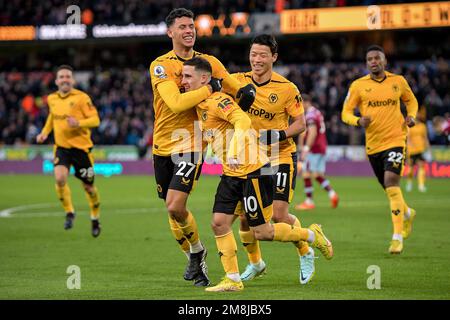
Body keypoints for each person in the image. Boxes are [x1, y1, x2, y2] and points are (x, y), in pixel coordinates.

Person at [181, 56, 333, 292]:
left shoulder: (219, 101)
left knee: (263, 231)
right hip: (232, 173)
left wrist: (232, 148)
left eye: (188, 76)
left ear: (204, 79)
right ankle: (233, 278)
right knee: (219, 223)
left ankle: (312, 236)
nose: (183, 81)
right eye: (182, 76)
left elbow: (241, 120)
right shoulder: (199, 105)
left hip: (255, 170)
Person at [149, 8, 256, 287]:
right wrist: (210, 89)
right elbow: (175, 103)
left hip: (191, 143)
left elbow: (241, 92)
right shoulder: (160, 65)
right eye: (183, 26)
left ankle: (207, 258)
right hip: (161, 144)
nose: (189, 30)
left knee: (175, 203)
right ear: (170, 32)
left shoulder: (209, 63)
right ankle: (196, 253)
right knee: (172, 210)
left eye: (192, 26)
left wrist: (235, 109)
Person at [231, 34, 315, 285]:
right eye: (253, 54)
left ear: (274, 57)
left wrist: (279, 134)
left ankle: (306, 251)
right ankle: (256, 263)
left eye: (262, 55)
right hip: (250, 158)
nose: (256, 59)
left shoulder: (287, 88)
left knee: (279, 215)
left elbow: (301, 124)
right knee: (246, 216)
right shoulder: (236, 81)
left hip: (280, 155)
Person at [341, 45, 418, 254]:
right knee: (389, 190)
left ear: (384, 61)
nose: (373, 61)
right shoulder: (358, 86)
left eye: (377, 58)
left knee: (391, 183)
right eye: (370, 59)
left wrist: (411, 116)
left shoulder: (398, 81)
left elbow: (411, 102)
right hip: (373, 145)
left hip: (396, 139)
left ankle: (396, 237)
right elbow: (345, 113)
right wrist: (358, 121)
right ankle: (407, 213)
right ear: (367, 63)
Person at [36, 65, 101, 237]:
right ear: (57, 81)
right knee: (60, 178)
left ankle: (95, 217)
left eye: (68, 77)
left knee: (89, 188)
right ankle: (69, 212)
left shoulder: (82, 98)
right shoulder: (52, 99)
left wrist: (79, 123)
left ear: (72, 80)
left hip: (82, 150)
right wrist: (44, 132)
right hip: (62, 148)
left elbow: (95, 120)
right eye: (61, 77)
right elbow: (52, 116)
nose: (65, 79)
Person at [295, 94, 339, 211]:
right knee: (317, 174)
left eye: (300, 103)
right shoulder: (316, 112)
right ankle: (332, 194)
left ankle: (309, 201)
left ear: (305, 102)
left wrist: (305, 149)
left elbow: (313, 133)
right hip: (321, 146)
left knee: (306, 174)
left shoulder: (310, 115)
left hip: (313, 148)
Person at [406, 117, 430, 192]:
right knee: (410, 167)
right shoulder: (409, 126)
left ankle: (421, 185)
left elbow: (425, 137)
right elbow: (407, 139)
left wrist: (428, 148)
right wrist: (408, 147)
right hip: (412, 150)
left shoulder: (423, 126)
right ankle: (409, 183)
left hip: (421, 149)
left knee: (421, 166)